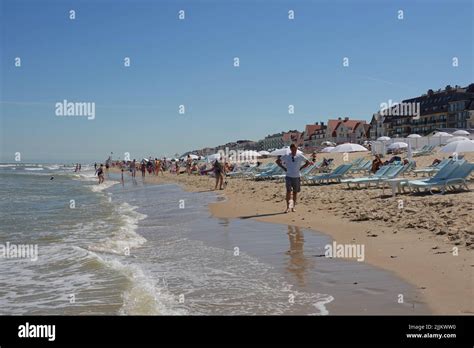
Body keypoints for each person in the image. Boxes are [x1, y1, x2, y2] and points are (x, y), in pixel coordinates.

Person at [276, 144, 310, 213]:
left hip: (296, 176)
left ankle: (293, 207)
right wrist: (284, 168)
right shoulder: (287, 156)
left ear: (296, 149)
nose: (294, 151)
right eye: (293, 149)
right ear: (291, 149)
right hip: (288, 176)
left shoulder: (300, 155)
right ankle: (288, 207)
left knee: (295, 192)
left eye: (295, 149)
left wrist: (301, 168)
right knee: (288, 192)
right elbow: (277, 161)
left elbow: (308, 162)